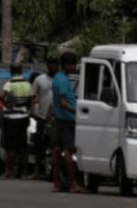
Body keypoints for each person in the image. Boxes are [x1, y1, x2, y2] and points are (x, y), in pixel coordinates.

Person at [52, 52, 82, 193]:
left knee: (57, 151)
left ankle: (57, 183)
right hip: (66, 119)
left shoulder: (59, 77)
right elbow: (63, 102)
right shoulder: (63, 80)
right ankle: (73, 183)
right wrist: (77, 110)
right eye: (73, 64)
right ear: (66, 65)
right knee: (68, 151)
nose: (75, 67)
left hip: (60, 118)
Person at [0, 64, 34, 180]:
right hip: (23, 117)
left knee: (10, 147)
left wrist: (7, 104)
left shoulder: (9, 84)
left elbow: (1, 95)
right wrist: (27, 110)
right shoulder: (27, 85)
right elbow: (31, 100)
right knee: (23, 146)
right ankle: (23, 173)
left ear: (11, 72)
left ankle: (9, 172)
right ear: (21, 71)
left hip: (10, 119)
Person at [31, 58, 58, 180]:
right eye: (51, 64)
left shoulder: (61, 79)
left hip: (57, 118)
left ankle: (56, 172)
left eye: (55, 64)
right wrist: (35, 111)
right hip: (42, 117)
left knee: (55, 146)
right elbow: (34, 96)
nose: (53, 67)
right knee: (40, 145)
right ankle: (37, 170)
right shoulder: (39, 80)